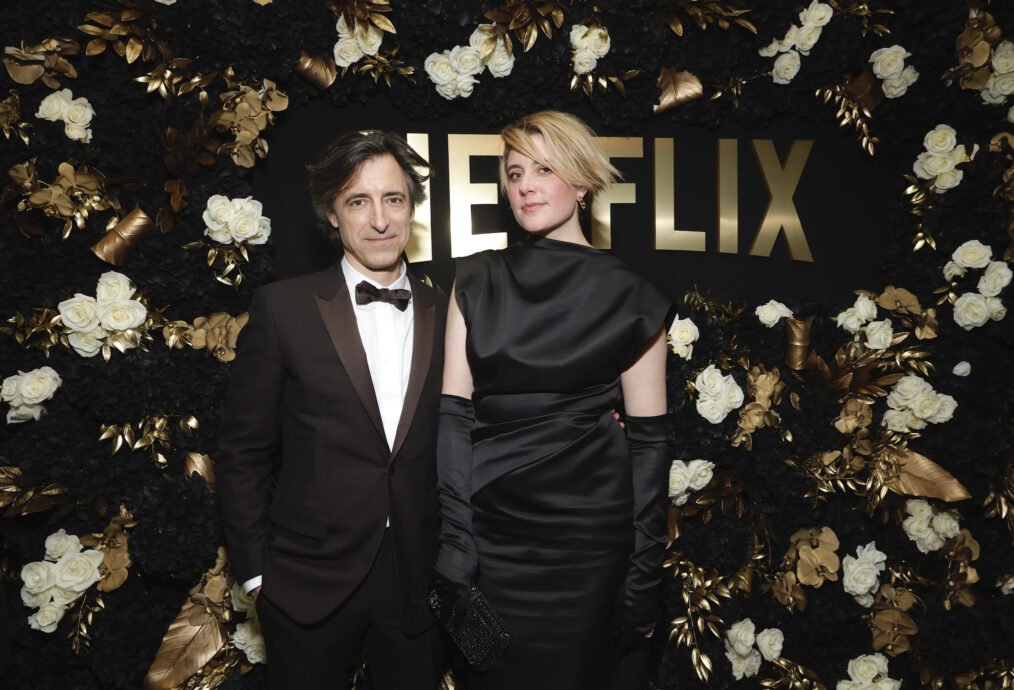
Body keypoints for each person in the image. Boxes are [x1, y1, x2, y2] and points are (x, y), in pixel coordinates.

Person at [432, 111, 672, 689]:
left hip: (590, 544)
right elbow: (453, 422)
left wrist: (643, 571)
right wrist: (457, 542)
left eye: (544, 168)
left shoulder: (634, 297)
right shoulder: (474, 280)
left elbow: (650, 445)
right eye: (515, 174)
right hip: (494, 539)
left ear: (583, 181)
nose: (526, 185)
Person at [217, 130, 446, 690]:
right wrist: (255, 575)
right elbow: (243, 449)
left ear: (412, 208)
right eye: (357, 202)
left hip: (420, 578)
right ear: (332, 216)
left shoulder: (451, 312)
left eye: (394, 199)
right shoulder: (284, 308)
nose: (380, 220)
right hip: (305, 579)